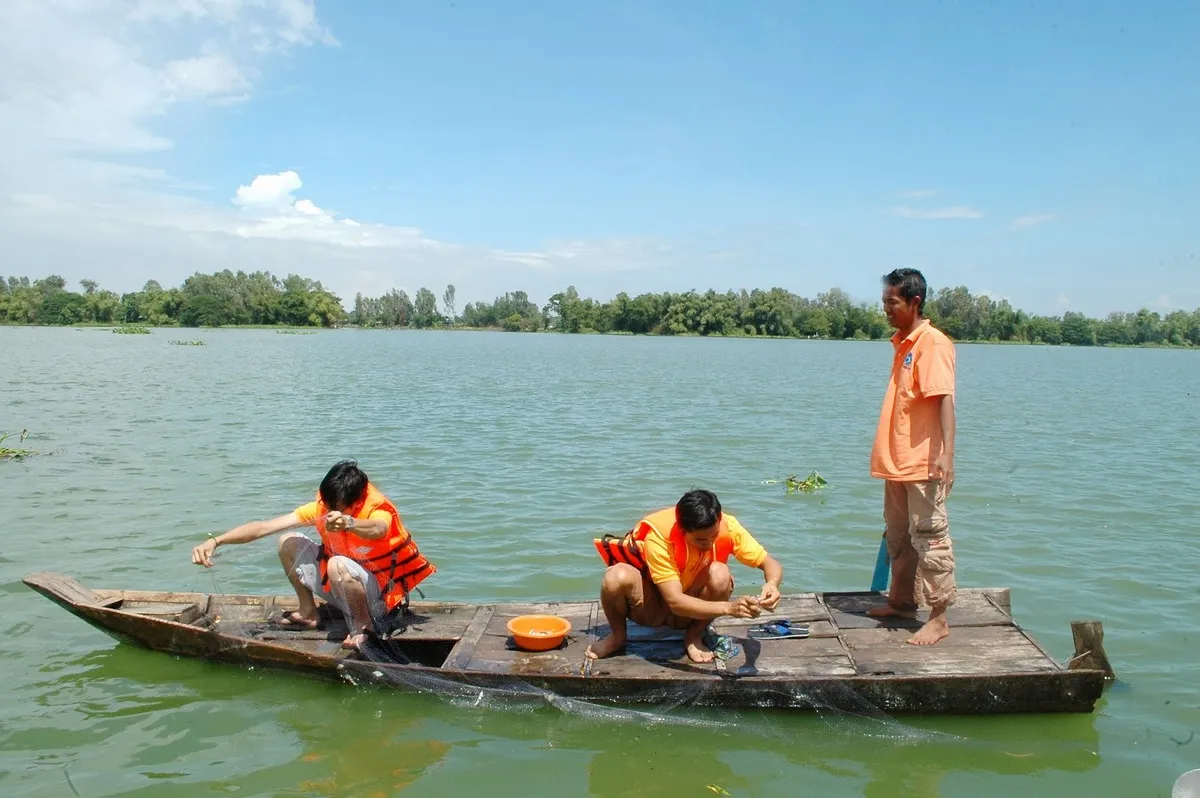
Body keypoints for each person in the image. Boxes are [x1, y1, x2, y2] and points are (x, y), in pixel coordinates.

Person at [190, 460, 435, 649]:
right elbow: (264, 527)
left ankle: (363, 626)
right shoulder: (321, 507)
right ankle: (308, 612)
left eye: (337, 509)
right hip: (341, 588)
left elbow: (379, 528)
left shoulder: (377, 510)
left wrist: (349, 523)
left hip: (379, 600)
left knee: (339, 563)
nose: (330, 514)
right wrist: (216, 541)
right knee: (287, 541)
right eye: (328, 508)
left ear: (357, 501)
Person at [585, 489, 784, 664]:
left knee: (720, 573)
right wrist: (730, 608)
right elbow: (674, 601)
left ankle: (693, 636)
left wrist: (772, 584)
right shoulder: (660, 538)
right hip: (652, 608)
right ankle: (618, 637)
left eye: (713, 536)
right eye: (700, 539)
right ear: (682, 530)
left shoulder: (728, 526)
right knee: (615, 576)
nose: (709, 543)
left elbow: (769, 563)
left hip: (692, 612)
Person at [867, 268, 957, 646]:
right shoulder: (903, 343)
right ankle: (902, 603)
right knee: (899, 538)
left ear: (914, 303)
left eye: (893, 302)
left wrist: (947, 455)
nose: (886, 308)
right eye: (884, 301)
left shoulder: (931, 343)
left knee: (931, 540)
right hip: (897, 463)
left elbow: (944, 400)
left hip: (923, 463)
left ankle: (939, 618)